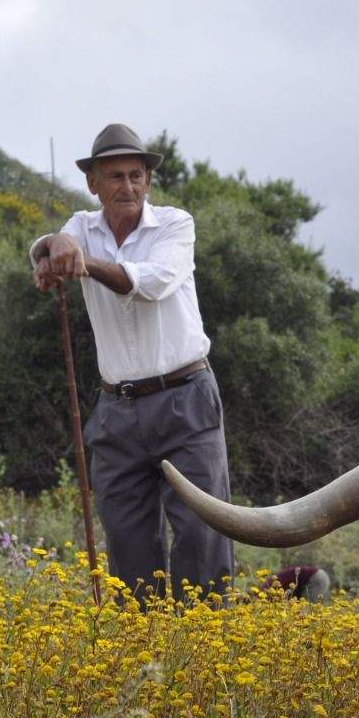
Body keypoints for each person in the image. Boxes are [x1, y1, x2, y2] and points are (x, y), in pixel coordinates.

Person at [30, 123, 234, 603]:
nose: (128, 187)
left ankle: (205, 653)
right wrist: (48, 248)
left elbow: (149, 283)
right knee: (127, 544)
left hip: (186, 399)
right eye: (116, 176)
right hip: (117, 409)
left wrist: (79, 261)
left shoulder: (175, 225)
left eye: (136, 176)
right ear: (92, 184)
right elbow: (48, 244)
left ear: (148, 181)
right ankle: (142, 656)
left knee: (202, 534)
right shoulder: (81, 226)